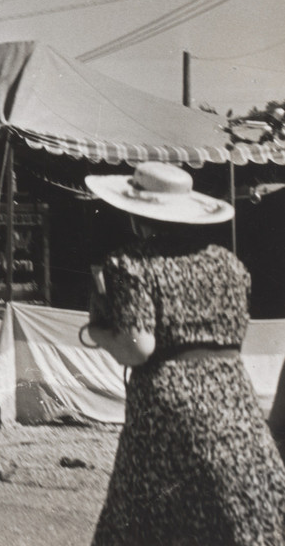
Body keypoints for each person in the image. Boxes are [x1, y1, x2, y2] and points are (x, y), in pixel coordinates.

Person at [86, 162, 285, 546]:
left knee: (145, 518)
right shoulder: (228, 263)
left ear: (137, 215)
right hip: (232, 397)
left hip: (169, 408)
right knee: (239, 508)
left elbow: (137, 347)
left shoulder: (130, 263)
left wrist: (98, 332)